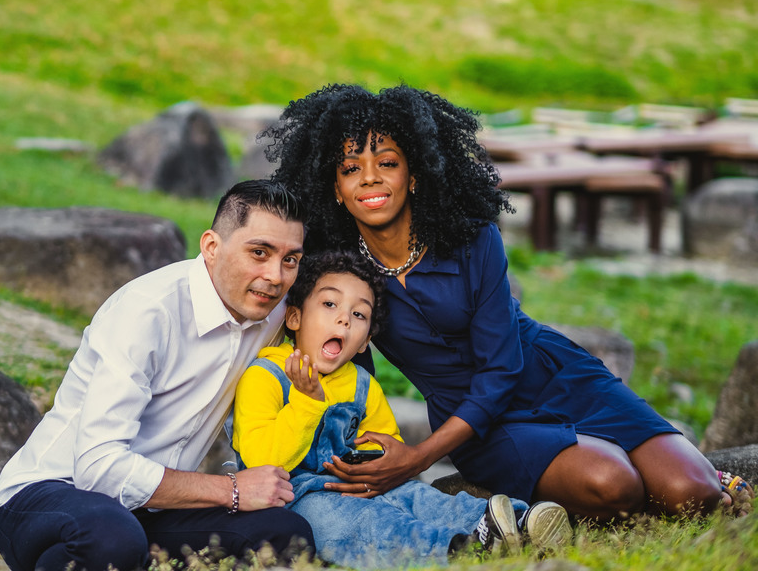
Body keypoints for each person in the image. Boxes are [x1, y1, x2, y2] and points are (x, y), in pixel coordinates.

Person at [263, 83, 729, 520]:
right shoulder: (342, 274)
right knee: (613, 486)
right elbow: (347, 369)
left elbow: (501, 369)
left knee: (695, 493)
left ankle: (664, 465)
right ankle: (614, 464)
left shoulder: (473, 237)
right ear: (337, 190)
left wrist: (419, 459)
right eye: (350, 169)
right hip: (479, 427)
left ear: (415, 174)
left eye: (387, 162)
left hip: (551, 376)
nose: (370, 179)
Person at [0, 180, 317, 571]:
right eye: (259, 253)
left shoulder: (273, 312)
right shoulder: (148, 310)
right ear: (212, 247)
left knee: (285, 535)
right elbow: (98, 469)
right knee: (111, 538)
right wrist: (230, 490)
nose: (276, 276)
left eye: (290, 260)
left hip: (154, 510)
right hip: (50, 497)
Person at [232, 249, 572, 568]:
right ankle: (456, 548)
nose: (344, 320)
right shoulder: (266, 377)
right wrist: (306, 401)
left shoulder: (361, 384)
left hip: (360, 484)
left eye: (359, 313)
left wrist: (376, 462)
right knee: (357, 523)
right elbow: (263, 461)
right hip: (297, 497)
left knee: (416, 498)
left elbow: (385, 443)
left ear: (366, 340)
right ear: (294, 316)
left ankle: (515, 521)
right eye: (330, 304)